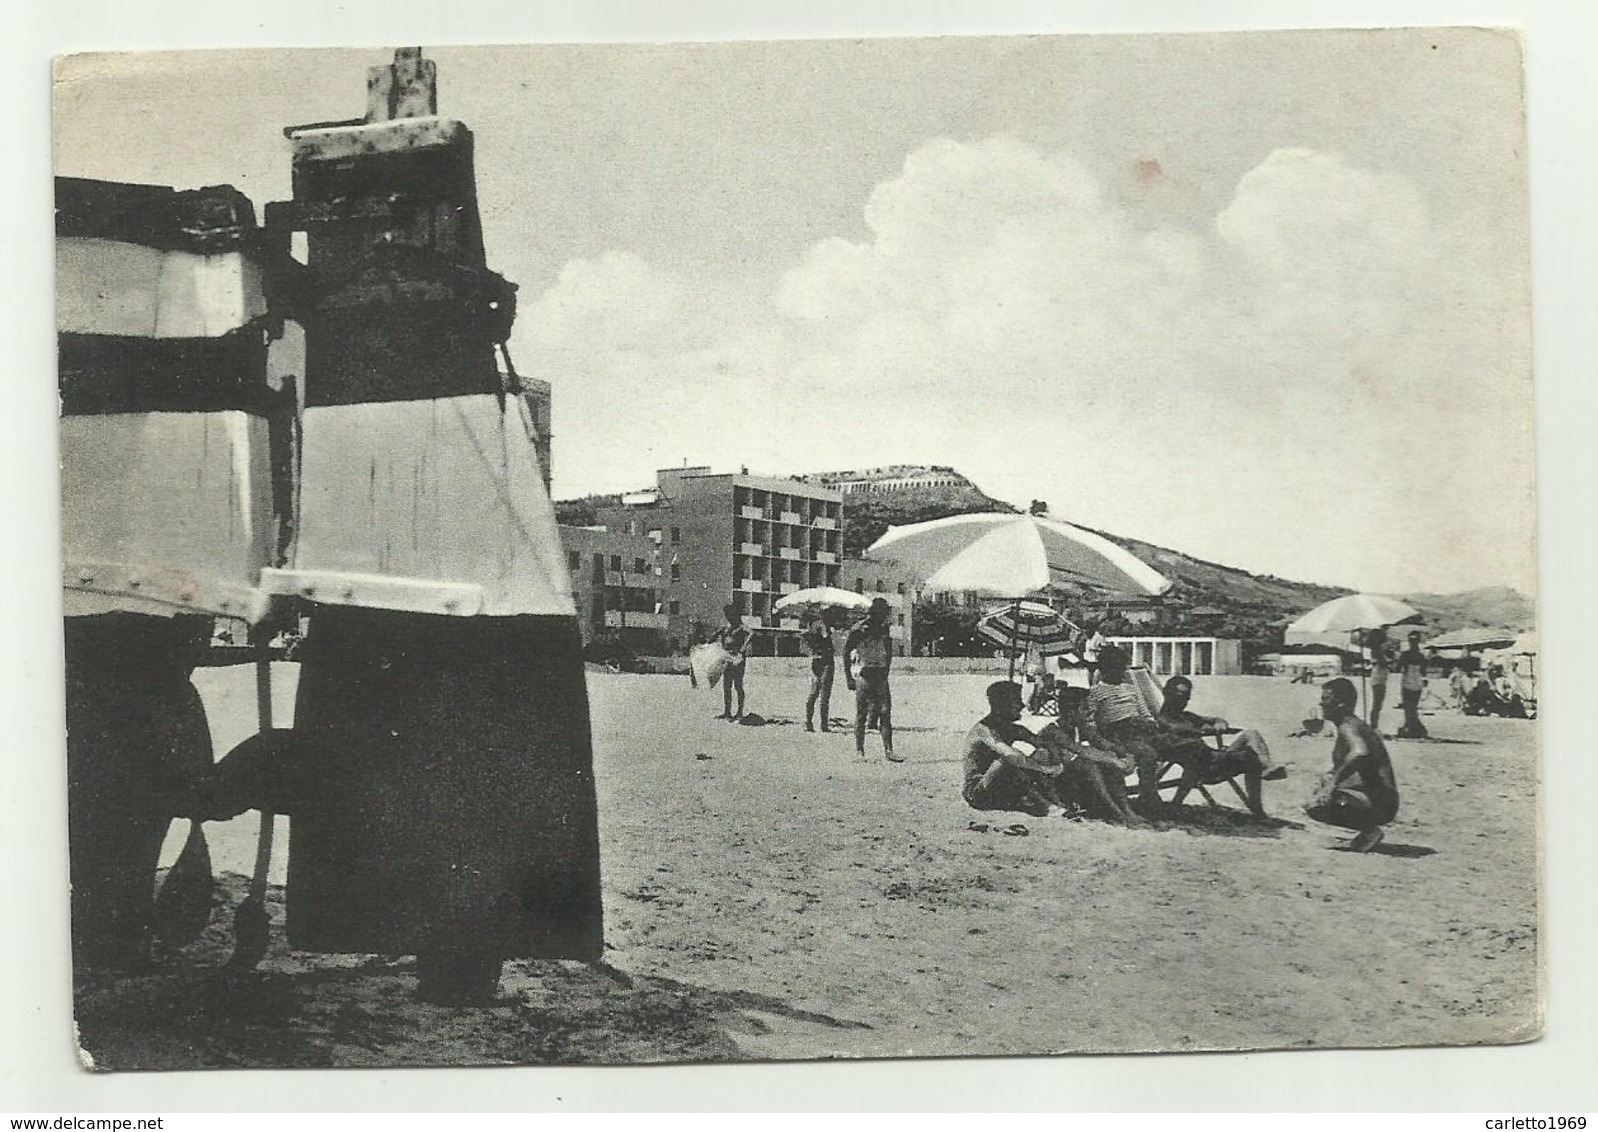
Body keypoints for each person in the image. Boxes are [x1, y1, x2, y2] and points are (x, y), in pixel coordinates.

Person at [1158, 675, 1287, 820]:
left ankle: (1268, 766)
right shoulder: (1163, 721)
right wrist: (1202, 730)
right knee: (1250, 758)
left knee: (1251, 734)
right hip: (1204, 767)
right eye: (1179, 696)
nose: (1183, 701)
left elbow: (1214, 720)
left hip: (1215, 758)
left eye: (1186, 697)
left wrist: (1220, 723)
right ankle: (1258, 809)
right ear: (1167, 694)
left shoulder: (1187, 716)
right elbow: (1180, 741)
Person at [1304, 677, 1400, 852]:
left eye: (1326, 699)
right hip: (1383, 798)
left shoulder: (1348, 726)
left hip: (1382, 802)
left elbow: (1360, 752)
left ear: (1341, 704)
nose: (1321, 703)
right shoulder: (1351, 724)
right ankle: (1367, 832)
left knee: (1315, 805)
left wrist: (1332, 785)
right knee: (1325, 782)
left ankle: (1370, 831)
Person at [1077, 645, 1169, 807]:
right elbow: (1090, 724)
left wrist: (1149, 723)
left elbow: (1145, 713)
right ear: (1104, 669)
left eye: (1121, 668)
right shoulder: (1095, 692)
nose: (1120, 672)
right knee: (1147, 753)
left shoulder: (1131, 689)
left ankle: (1149, 792)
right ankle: (1148, 795)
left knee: (1170, 743)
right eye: (1115, 668)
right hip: (1116, 736)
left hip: (1138, 731)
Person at [962, 682, 1069, 817]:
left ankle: (1053, 798)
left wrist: (1055, 759)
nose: (1022, 705)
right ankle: (1046, 805)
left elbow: (1042, 743)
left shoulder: (1013, 729)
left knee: (1042, 754)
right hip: (978, 792)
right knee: (1007, 761)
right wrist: (1045, 769)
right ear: (1002, 704)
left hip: (1001, 788)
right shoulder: (984, 730)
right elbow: (1009, 754)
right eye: (1017, 701)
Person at [845, 597, 902, 762]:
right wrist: (848, 677)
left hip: (881, 675)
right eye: (883, 613)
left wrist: (887, 669)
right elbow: (846, 651)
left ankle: (889, 750)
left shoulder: (884, 628)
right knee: (861, 714)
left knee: (885, 713)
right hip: (865, 674)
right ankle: (859, 752)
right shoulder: (860, 628)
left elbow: (888, 650)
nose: (885, 616)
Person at [714, 603, 750, 720]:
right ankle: (727, 712)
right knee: (726, 685)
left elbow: (751, 633)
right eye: (726, 615)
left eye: (729, 614)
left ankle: (739, 712)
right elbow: (716, 636)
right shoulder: (726, 627)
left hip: (737, 658)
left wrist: (743, 648)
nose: (728, 617)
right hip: (727, 657)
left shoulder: (740, 626)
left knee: (738, 685)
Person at [802, 610, 835, 732]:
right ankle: (821, 725)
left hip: (819, 662)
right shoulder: (820, 626)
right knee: (822, 695)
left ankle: (810, 723)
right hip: (824, 662)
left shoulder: (813, 628)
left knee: (816, 693)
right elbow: (825, 642)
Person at [1395, 631, 1430, 739]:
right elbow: (1424, 672)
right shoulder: (1421, 656)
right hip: (1417, 681)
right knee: (1412, 707)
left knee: (1408, 706)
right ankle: (1413, 727)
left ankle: (1412, 727)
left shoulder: (1405, 655)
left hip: (1408, 680)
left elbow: (1398, 668)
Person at [1365, 627, 1393, 733]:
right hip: (1379, 676)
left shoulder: (1375, 650)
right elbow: (1382, 663)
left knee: (1377, 702)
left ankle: (1374, 724)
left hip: (1378, 676)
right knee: (1377, 703)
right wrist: (1390, 661)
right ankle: (1373, 725)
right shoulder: (1377, 650)